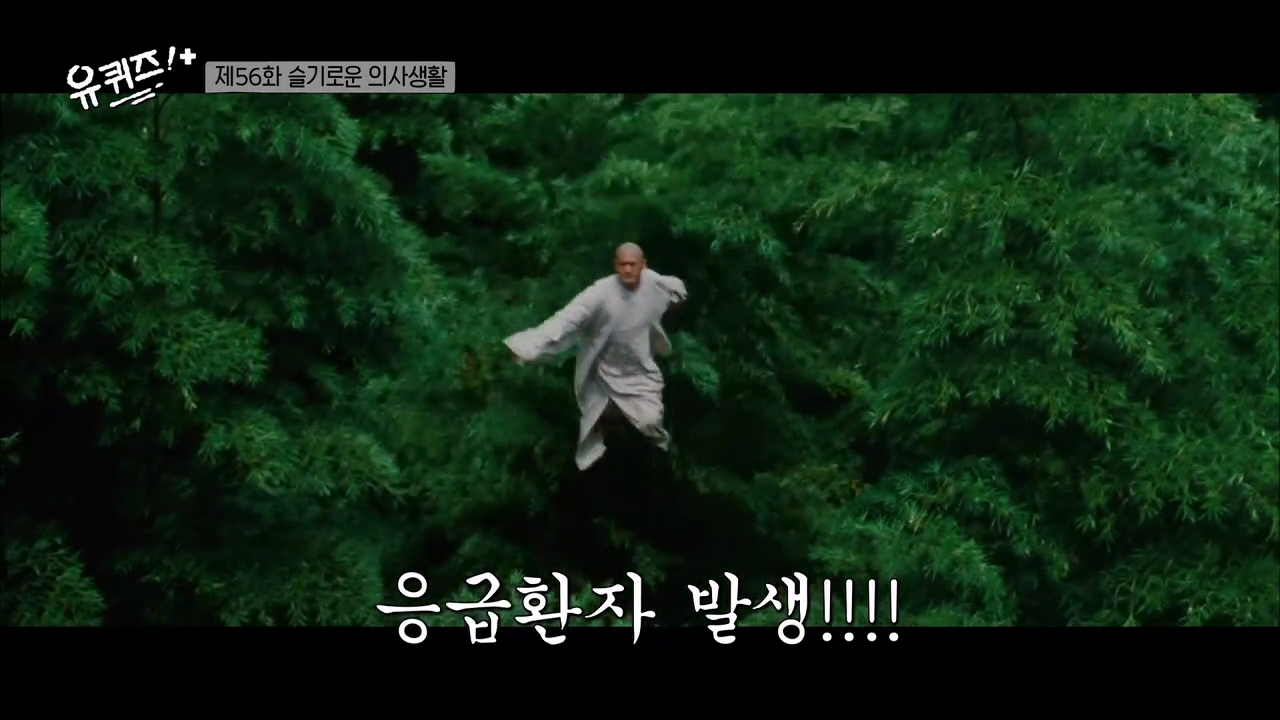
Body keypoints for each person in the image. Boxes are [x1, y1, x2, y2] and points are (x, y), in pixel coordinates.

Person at [505, 243, 687, 471]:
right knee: (601, 412)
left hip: (640, 371)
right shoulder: (600, 292)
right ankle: (607, 442)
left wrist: (676, 303)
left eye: (632, 264)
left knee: (650, 420)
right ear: (615, 265)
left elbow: (677, 290)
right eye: (622, 264)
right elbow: (567, 319)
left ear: (643, 265)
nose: (627, 269)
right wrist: (526, 346)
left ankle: (659, 458)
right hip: (604, 371)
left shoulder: (654, 283)